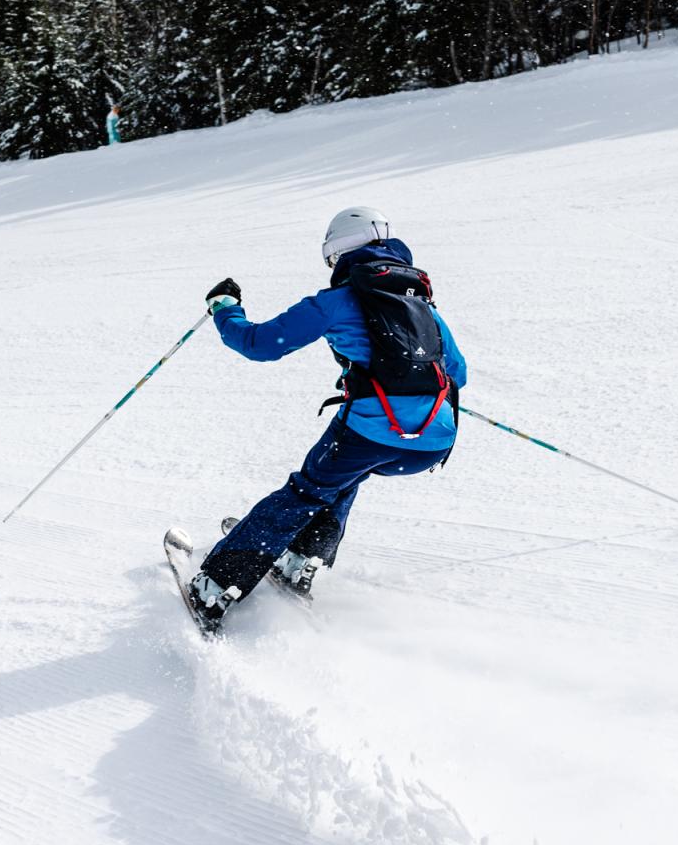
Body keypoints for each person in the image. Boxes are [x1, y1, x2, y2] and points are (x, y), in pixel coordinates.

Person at [184, 207, 468, 631]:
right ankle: (301, 560)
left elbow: (260, 344)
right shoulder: (422, 304)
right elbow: (458, 373)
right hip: (433, 442)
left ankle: (216, 586)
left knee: (306, 491)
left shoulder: (335, 302)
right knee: (346, 477)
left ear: (339, 255)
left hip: (372, 431)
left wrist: (225, 308)